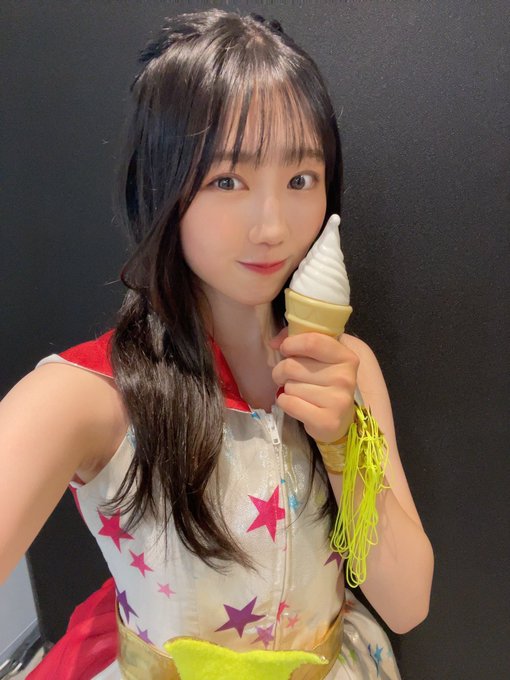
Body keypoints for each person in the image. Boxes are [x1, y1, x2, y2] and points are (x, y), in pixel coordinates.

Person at [0, 8, 433, 679]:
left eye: (301, 179)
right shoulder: (87, 395)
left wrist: (345, 445)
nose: (272, 226)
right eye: (227, 180)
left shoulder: (347, 367)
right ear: (162, 187)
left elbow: (408, 604)